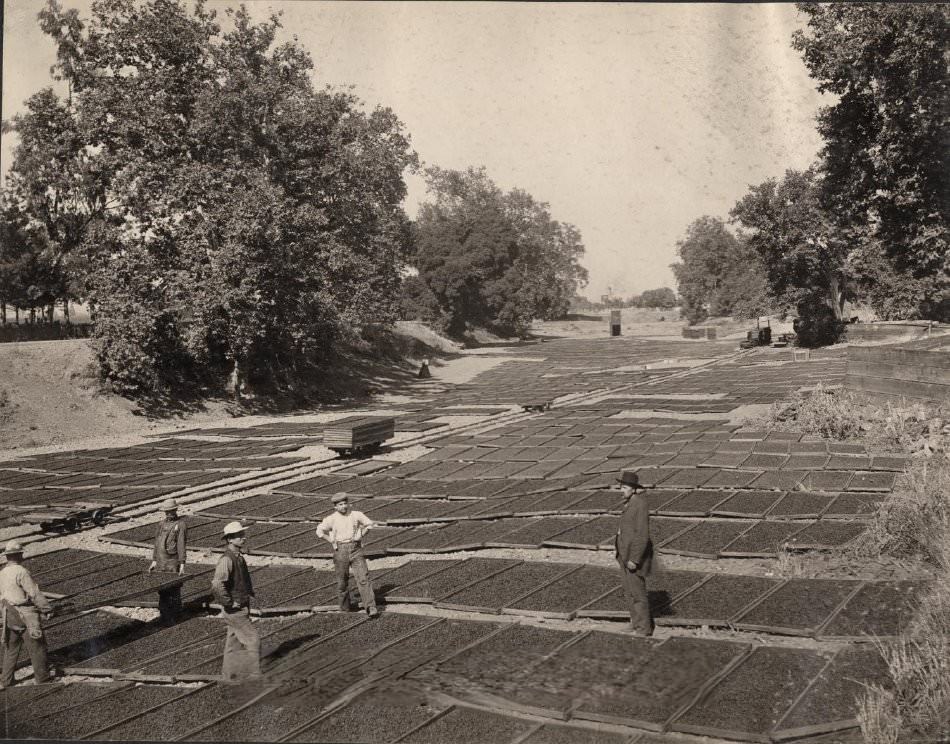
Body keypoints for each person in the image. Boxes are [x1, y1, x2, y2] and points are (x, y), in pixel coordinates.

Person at [211, 522, 261, 682]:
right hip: (235, 608)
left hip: (240, 604)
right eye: (239, 536)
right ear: (230, 539)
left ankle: (228, 675)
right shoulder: (227, 560)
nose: (243, 538)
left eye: (242, 535)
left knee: (232, 641)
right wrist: (228, 602)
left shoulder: (238, 557)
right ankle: (254, 676)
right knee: (252, 640)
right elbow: (217, 584)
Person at [316, 494, 380, 618]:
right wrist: (331, 541)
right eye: (340, 504)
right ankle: (345, 608)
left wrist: (361, 534)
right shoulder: (331, 519)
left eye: (345, 503)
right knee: (342, 581)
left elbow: (369, 524)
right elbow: (319, 531)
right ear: (335, 507)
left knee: (363, 577)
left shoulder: (356, 515)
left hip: (356, 549)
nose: (344, 506)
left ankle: (370, 607)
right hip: (340, 550)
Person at [0, 541, 54, 688]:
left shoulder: (2, 573)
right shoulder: (21, 572)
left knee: (11, 649)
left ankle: (6, 681)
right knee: (37, 646)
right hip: (24, 614)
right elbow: (34, 593)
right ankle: (43, 679)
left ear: (7, 557)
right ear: (18, 555)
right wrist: (46, 609)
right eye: (21, 554)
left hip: (8, 614)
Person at [615, 470, 655, 636]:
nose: (621, 491)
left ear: (632, 488)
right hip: (623, 555)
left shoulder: (640, 504)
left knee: (638, 593)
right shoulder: (629, 502)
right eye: (621, 487)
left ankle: (644, 629)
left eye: (624, 487)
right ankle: (635, 622)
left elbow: (642, 535)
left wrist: (635, 559)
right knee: (629, 591)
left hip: (632, 556)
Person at [148, 499, 187, 623]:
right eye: (167, 511)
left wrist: (182, 563)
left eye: (171, 511)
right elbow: (157, 543)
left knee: (174, 590)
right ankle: (164, 616)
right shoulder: (161, 524)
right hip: (161, 562)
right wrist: (154, 560)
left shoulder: (180, 525)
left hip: (172, 562)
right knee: (162, 591)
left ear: (175, 510)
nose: (169, 513)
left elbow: (181, 545)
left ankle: (175, 617)